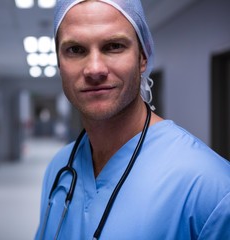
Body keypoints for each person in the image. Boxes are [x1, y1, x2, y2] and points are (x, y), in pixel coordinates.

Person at [35, 0, 230, 239]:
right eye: (75, 50)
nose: (94, 69)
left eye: (114, 46)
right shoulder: (60, 168)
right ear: (59, 62)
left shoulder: (210, 188)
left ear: (143, 57)